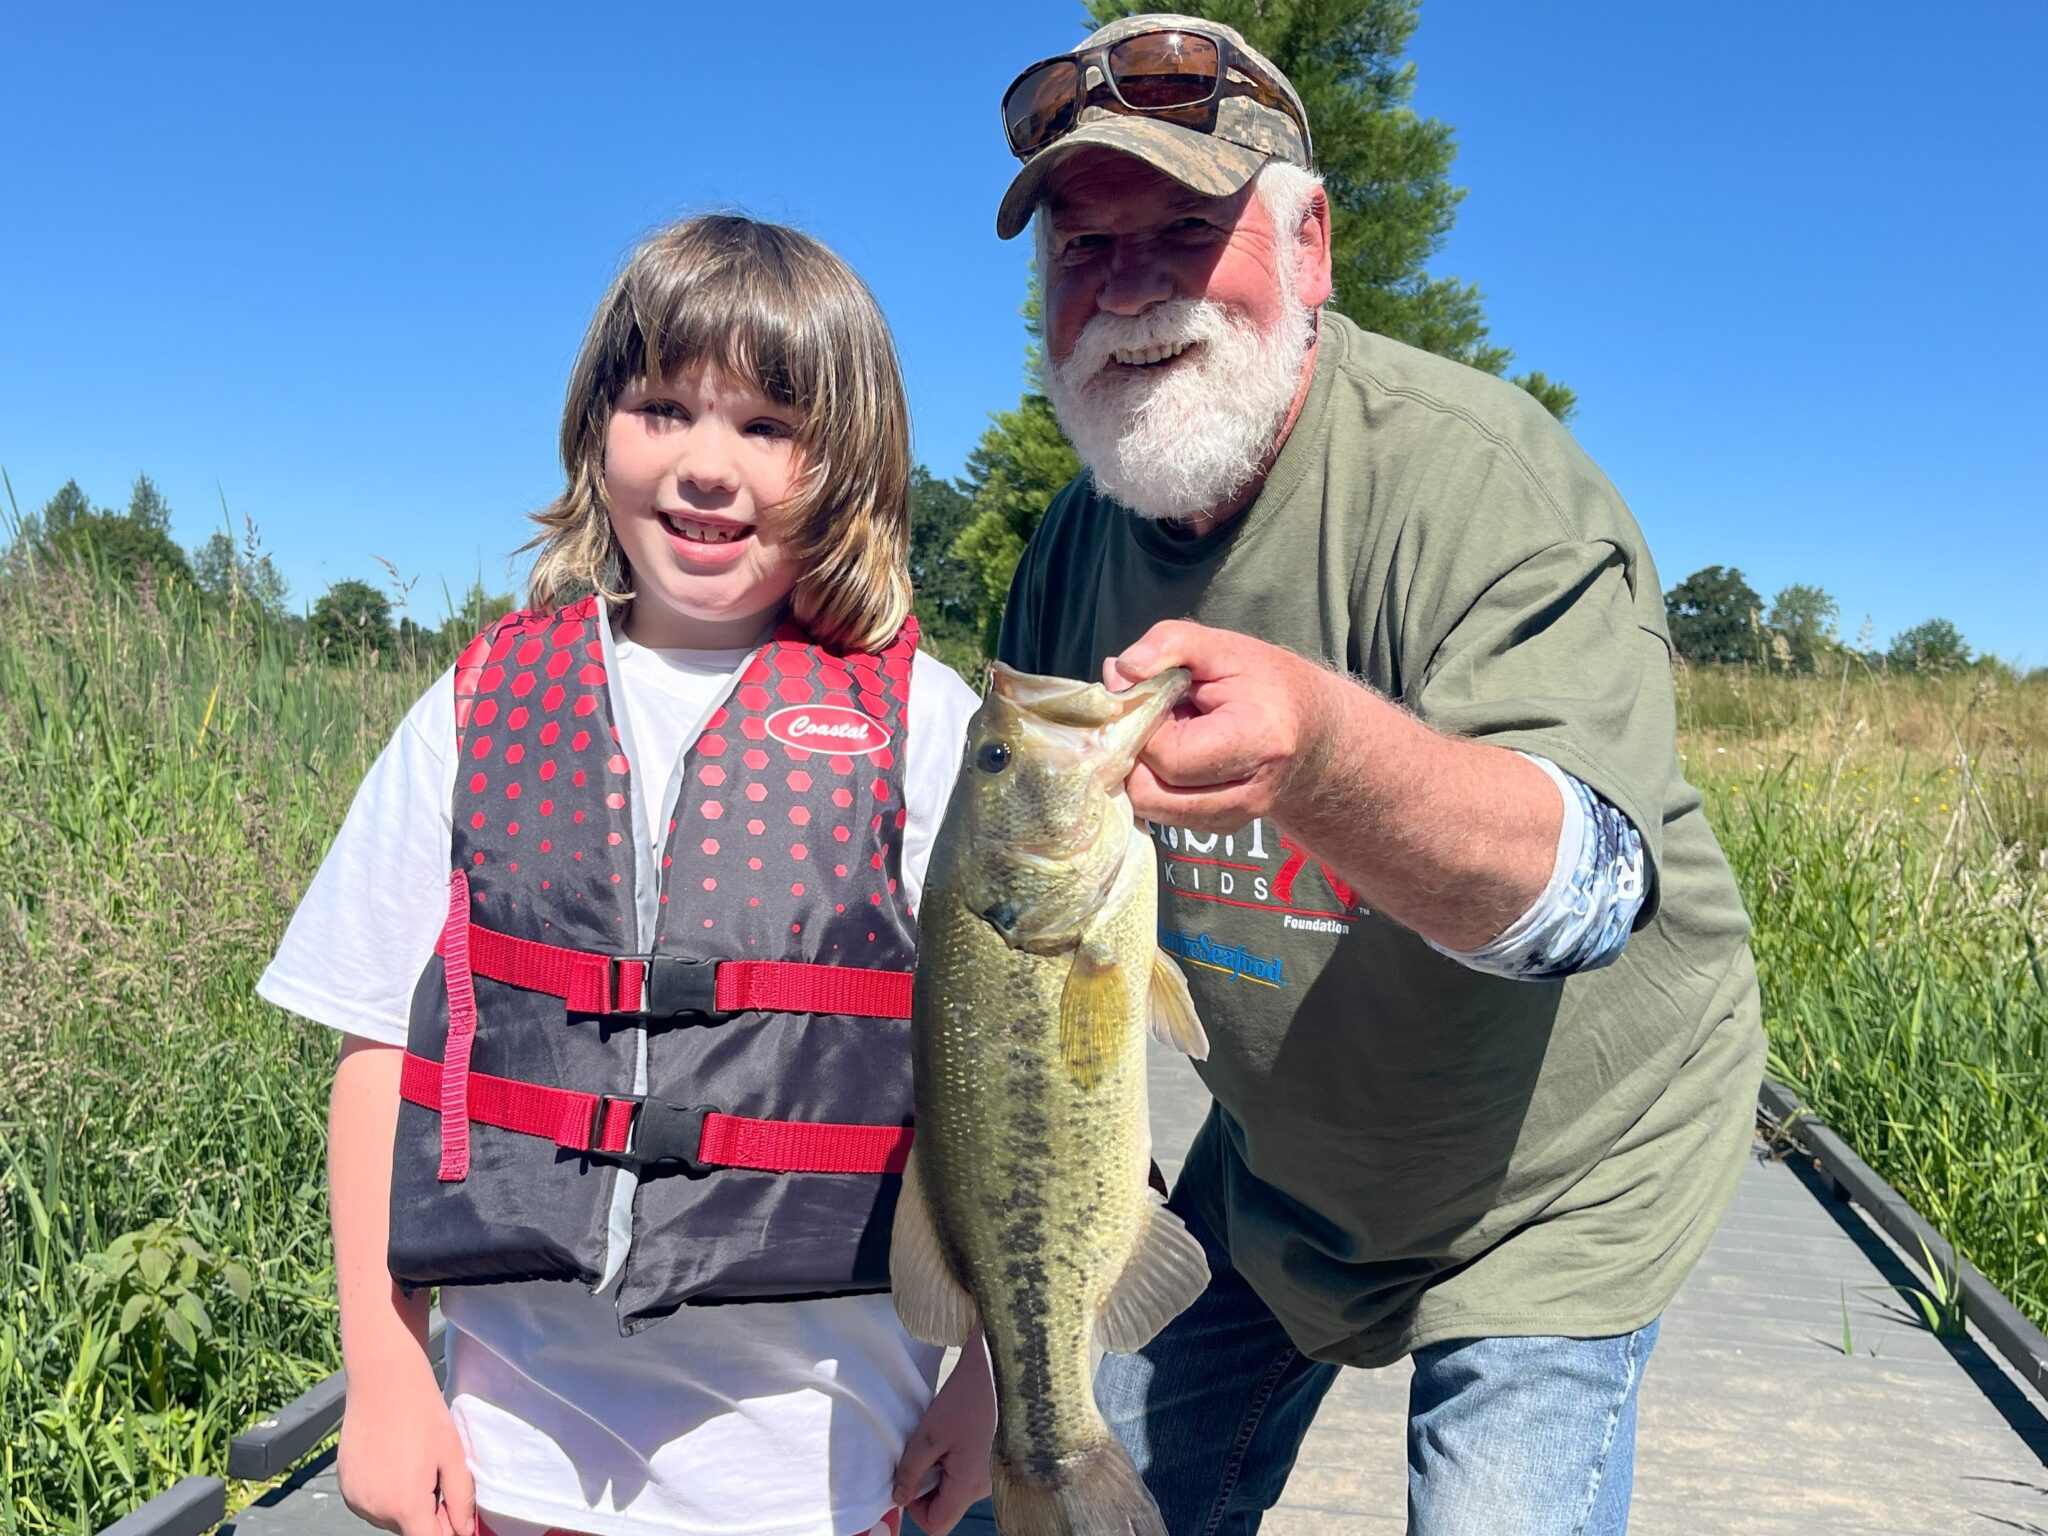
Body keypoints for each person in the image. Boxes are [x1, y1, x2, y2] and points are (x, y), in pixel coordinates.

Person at [989, 16, 1765, 1534]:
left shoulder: (1479, 481)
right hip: (1281, 1171)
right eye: (1085, 248)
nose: (1129, 285)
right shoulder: (1068, 555)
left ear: (1313, 245)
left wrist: (1322, 755)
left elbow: (1587, 897)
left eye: (1190, 231)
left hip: (1555, 1178)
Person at [260, 215, 994, 1536]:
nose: (707, 467)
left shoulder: (926, 724)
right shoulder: (482, 699)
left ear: (850, 465)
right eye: (662, 408)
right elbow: (381, 1049)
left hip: (828, 1474)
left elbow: (1021, 1089)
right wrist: (381, 1368)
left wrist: (994, 1382)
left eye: (768, 427)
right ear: (596, 428)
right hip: (513, 1469)